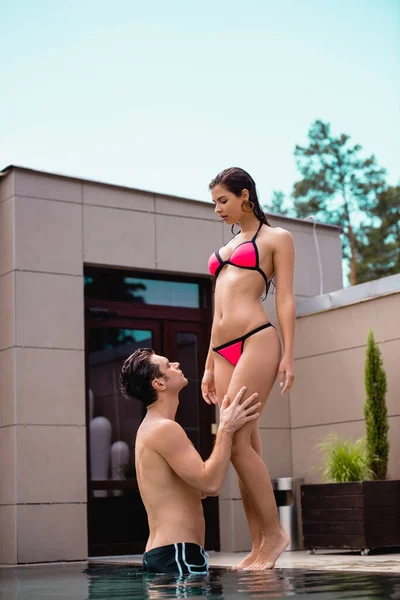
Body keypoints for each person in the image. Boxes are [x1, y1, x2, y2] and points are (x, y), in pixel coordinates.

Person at [202, 167, 296, 570]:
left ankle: (275, 534)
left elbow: (286, 300)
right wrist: (208, 363)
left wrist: (289, 354)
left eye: (223, 201)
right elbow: (216, 311)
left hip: (257, 339)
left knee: (234, 439)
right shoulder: (227, 247)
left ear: (244, 196)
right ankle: (259, 543)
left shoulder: (277, 239)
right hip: (222, 350)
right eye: (214, 204)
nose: (218, 210)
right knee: (245, 448)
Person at [119, 347, 261, 575]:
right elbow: (211, 484)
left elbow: (197, 488)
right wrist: (225, 428)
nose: (175, 364)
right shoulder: (164, 429)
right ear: (159, 384)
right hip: (178, 555)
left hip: (168, 554)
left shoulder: (151, 427)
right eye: (167, 365)